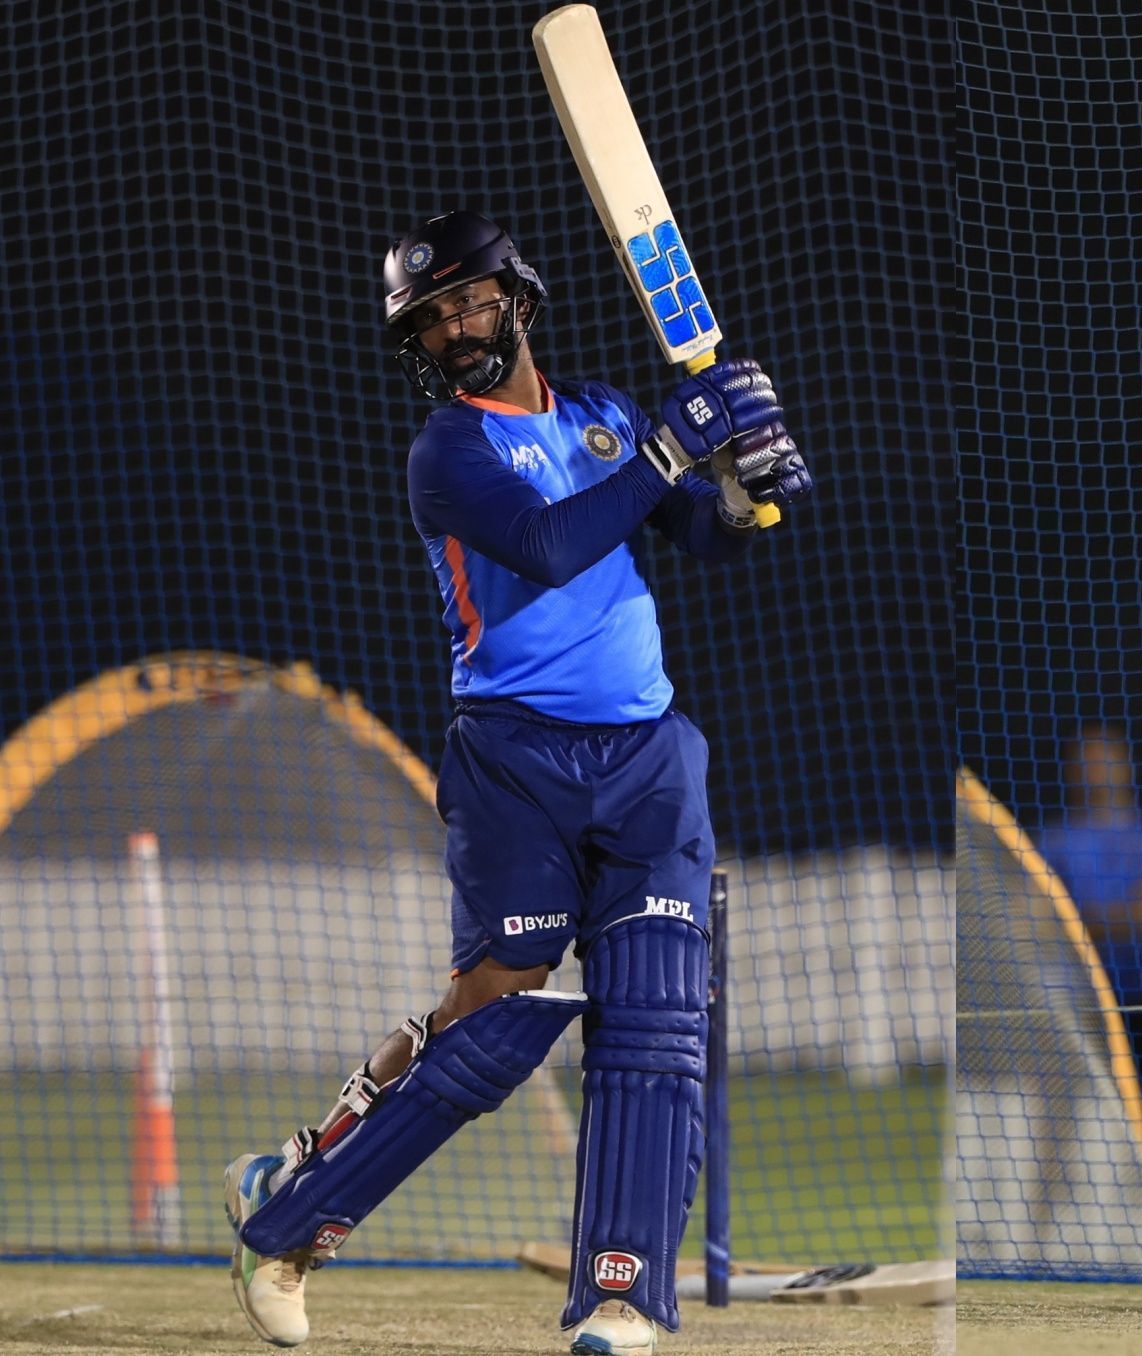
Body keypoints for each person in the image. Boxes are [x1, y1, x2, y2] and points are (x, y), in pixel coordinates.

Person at [221, 211, 811, 1356]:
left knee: (654, 1025)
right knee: (490, 1027)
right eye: (431, 319)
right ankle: (288, 1222)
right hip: (515, 762)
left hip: (648, 759)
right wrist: (669, 453)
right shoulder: (447, 450)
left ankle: (622, 1295)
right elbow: (547, 548)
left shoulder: (601, 413)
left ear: (518, 299)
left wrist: (747, 483)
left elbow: (705, 534)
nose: (454, 329)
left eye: (469, 303)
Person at [1036, 722, 1142, 1143]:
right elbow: (1041, 921)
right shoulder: (1054, 840)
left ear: (1125, 765)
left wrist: (1083, 922)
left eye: (1104, 758)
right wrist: (1121, 918)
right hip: (1076, 1000)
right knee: (1059, 1114)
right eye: (1085, 760)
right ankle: (1046, 1207)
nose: (1096, 769)